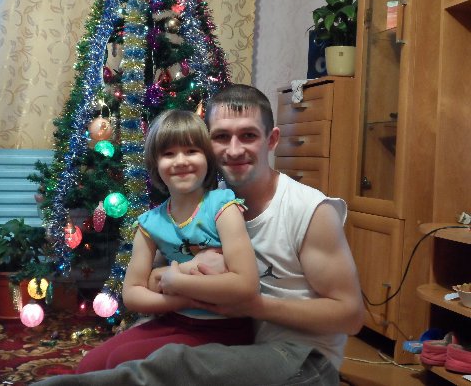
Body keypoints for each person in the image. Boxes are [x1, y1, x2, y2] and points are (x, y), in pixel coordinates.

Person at [35, 84, 364, 385]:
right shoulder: (206, 202)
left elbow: (350, 317)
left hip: (302, 358)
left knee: (172, 365)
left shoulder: (310, 210)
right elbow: (155, 278)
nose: (234, 150)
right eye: (221, 137)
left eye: (248, 135)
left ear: (272, 139)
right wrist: (174, 276)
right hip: (236, 346)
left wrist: (249, 305)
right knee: (107, 359)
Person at [75, 109, 259, 373]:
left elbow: (246, 285)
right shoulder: (150, 223)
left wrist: (175, 282)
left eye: (191, 151)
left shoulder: (222, 206)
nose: (180, 161)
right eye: (169, 154)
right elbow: (132, 294)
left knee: (121, 360)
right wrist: (185, 298)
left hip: (224, 328)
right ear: (155, 164)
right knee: (89, 365)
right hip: (175, 318)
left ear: (207, 158)